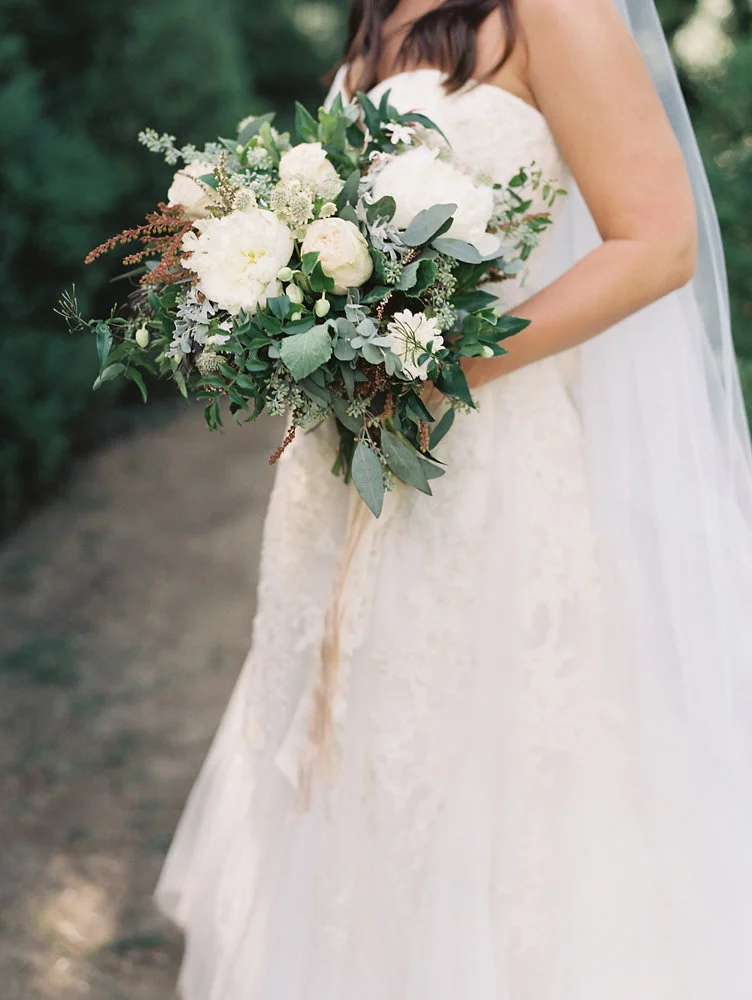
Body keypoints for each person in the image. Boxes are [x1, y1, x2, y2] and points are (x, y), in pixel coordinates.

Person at [155, 1, 752, 997]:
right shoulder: (380, 13)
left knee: (486, 767)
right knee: (347, 760)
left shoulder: (551, 10)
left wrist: (444, 363)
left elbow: (656, 244)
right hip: (342, 476)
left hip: (483, 462)